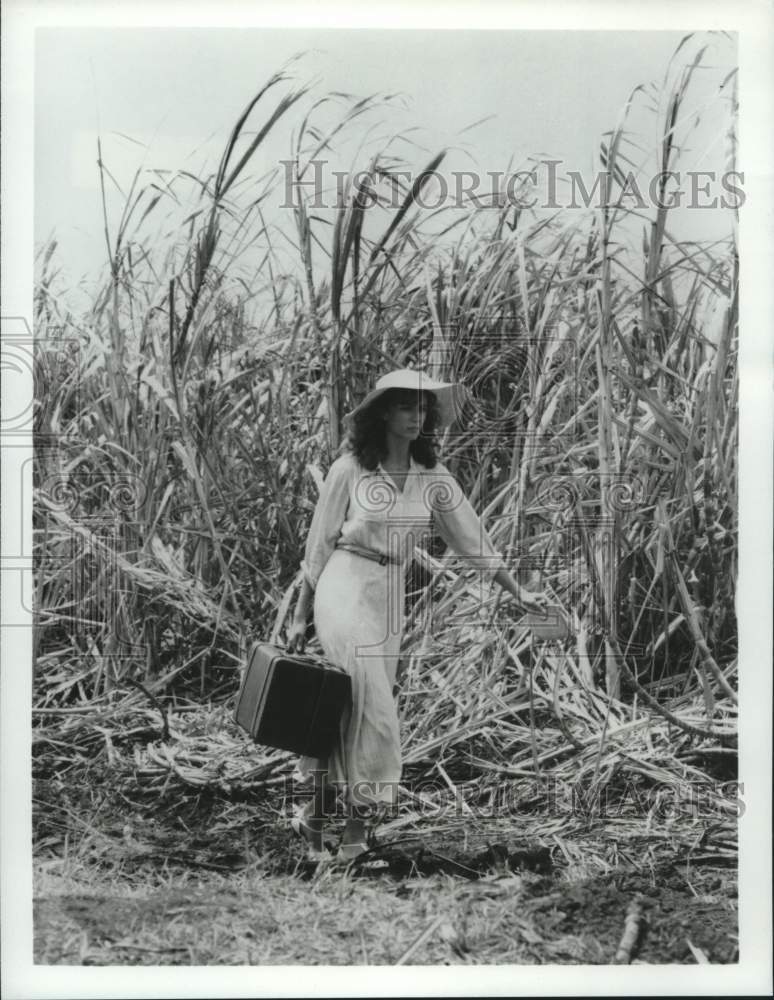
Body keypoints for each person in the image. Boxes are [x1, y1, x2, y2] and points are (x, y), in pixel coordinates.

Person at [286, 369, 560, 861]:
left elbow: (474, 542)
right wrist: (299, 616)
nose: (417, 416)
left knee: (345, 711)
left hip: (389, 598)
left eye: (423, 409)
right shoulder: (349, 469)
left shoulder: (432, 478)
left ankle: (329, 826)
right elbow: (319, 545)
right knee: (371, 705)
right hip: (344, 585)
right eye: (406, 407)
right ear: (383, 413)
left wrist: (519, 593)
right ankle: (340, 834)